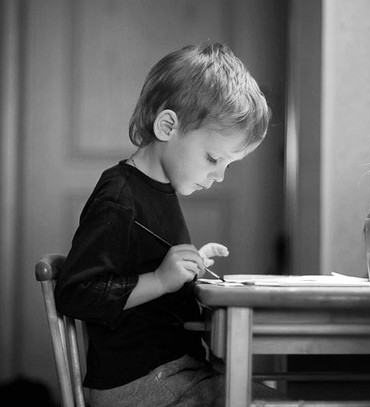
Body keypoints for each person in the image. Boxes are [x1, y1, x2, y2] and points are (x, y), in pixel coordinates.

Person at [55, 42, 283, 406]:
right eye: (213, 158)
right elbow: (76, 294)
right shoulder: (119, 199)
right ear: (167, 126)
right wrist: (161, 280)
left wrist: (187, 268)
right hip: (139, 384)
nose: (220, 176)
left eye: (228, 165)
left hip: (174, 371)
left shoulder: (159, 189)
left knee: (263, 396)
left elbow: (146, 265)